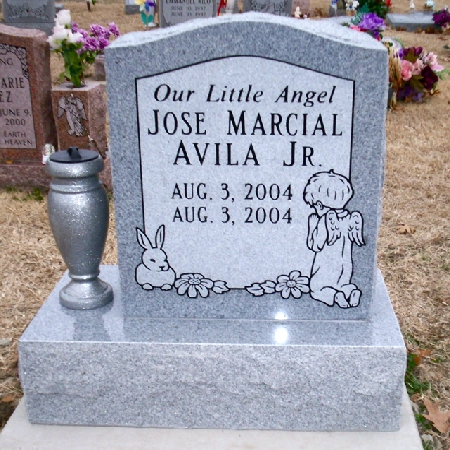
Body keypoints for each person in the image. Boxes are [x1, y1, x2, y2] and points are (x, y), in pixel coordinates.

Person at [303, 170, 365, 308]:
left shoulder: (325, 220)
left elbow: (315, 245)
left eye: (314, 205)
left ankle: (335, 297)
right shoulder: (351, 218)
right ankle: (352, 291)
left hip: (326, 266)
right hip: (345, 267)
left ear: (319, 204)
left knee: (316, 288)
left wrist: (312, 225)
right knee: (343, 285)